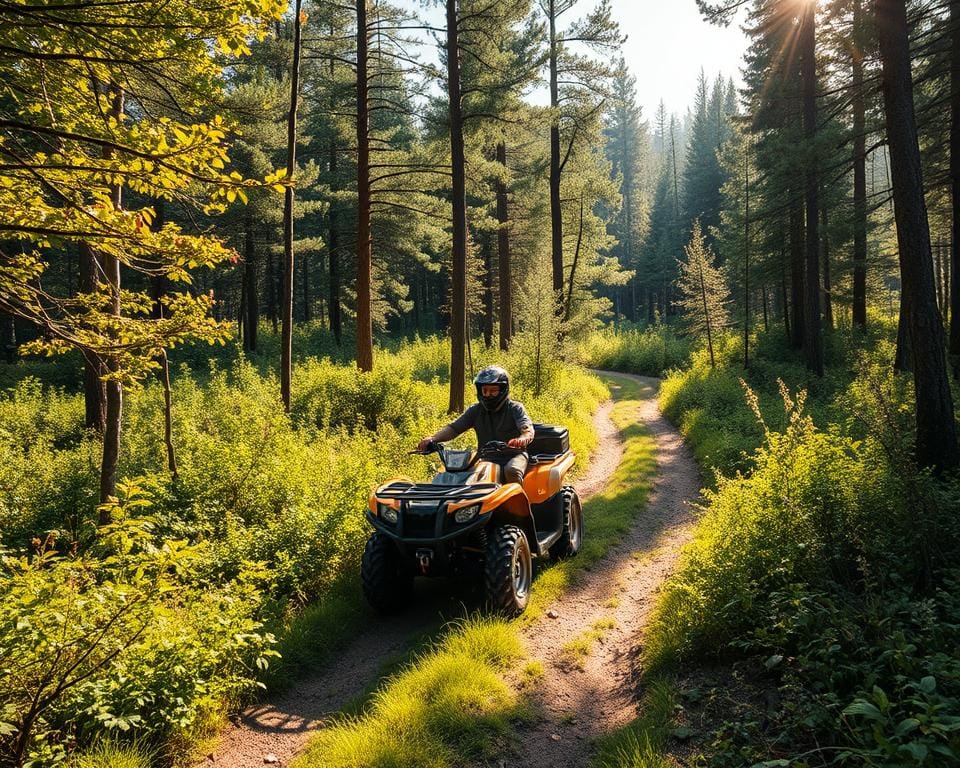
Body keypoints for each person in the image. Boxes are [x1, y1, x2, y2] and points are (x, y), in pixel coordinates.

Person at [417, 365, 535, 485]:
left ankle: (518, 502)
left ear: (503, 390)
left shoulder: (515, 408)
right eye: (485, 390)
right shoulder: (476, 410)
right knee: (456, 475)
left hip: (513, 456)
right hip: (485, 458)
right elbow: (454, 428)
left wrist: (523, 438)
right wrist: (433, 438)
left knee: (512, 471)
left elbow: (527, 429)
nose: (488, 395)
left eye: (493, 391)